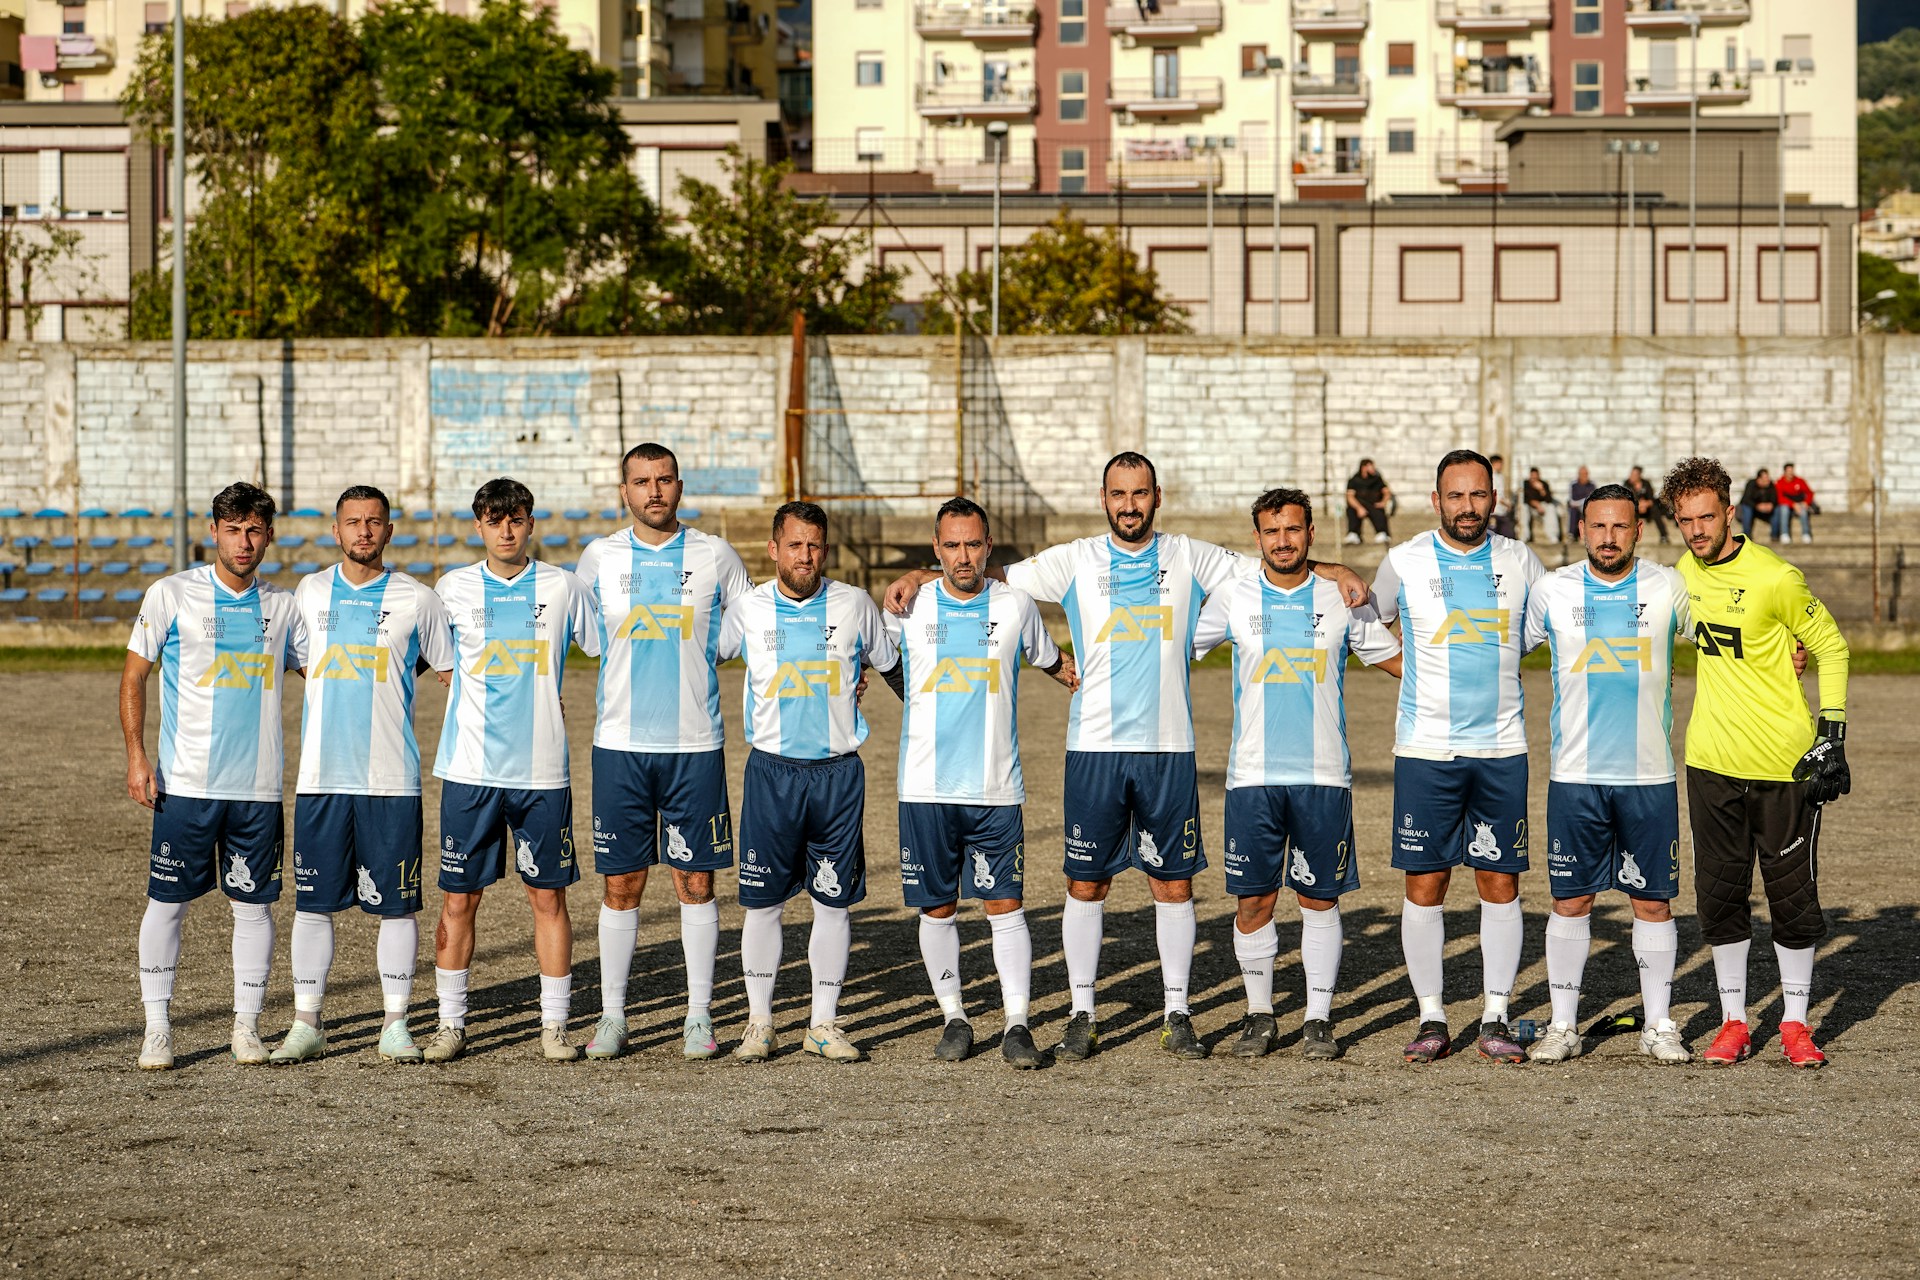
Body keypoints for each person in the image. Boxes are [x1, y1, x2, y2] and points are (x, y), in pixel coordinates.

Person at [882, 453, 1366, 1062]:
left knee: (1174, 885)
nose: (1129, 504)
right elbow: (985, 571)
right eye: (1119, 494)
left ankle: (1177, 1011)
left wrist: (1334, 566)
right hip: (1094, 749)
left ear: (1156, 497)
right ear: (1103, 498)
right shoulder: (1075, 559)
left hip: (1169, 749)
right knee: (1085, 884)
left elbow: (1274, 561)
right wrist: (925, 576)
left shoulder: (1190, 556)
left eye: (1140, 493)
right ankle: (1082, 1011)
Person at [1192, 488, 1402, 1060]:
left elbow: (1394, 661)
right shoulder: (1234, 595)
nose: (1282, 541)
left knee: (1320, 900)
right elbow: (1173, 645)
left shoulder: (1339, 598)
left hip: (1323, 776)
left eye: (1292, 530)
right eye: (1270, 531)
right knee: (1254, 901)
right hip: (1252, 778)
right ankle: (1260, 1015)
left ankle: (1317, 1017)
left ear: (1310, 532)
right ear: (1256, 537)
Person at [1662, 456, 1851, 1068]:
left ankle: (1795, 1023)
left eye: (1705, 516)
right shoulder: (1681, 574)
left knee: (1792, 898)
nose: (1695, 530)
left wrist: (1833, 730)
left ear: (1730, 511)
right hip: (1710, 760)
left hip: (1783, 765)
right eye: (1684, 519)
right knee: (1720, 896)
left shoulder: (1776, 577)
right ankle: (1734, 1021)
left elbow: (1833, 647)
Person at [573, 444, 752, 1062]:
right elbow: (580, 637)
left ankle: (698, 1016)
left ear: (680, 486)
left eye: (664, 480)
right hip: (619, 747)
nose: (654, 491)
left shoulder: (714, 554)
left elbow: (747, 623)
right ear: (623, 490)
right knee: (621, 885)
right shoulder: (598, 558)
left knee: (695, 881)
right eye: (641, 481)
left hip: (694, 745)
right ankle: (614, 1015)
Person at [886, 497, 1077, 1067]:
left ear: (989, 547)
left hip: (996, 789)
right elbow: (870, 655)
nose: (963, 556)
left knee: (1006, 906)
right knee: (937, 910)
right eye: (951, 545)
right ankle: (955, 1017)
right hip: (925, 788)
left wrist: (1067, 668)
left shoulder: (1016, 605)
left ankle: (1017, 1023)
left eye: (973, 544)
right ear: (936, 549)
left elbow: (1046, 657)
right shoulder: (908, 607)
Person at [123, 482, 307, 1070]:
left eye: (255, 531)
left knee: (253, 908)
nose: (244, 542)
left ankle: (246, 1027)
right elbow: (133, 679)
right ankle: (158, 1028)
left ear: (269, 536)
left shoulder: (283, 607)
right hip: (186, 786)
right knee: (167, 904)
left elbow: (330, 673)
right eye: (233, 530)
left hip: (257, 789)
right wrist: (135, 755)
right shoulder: (171, 594)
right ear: (214, 533)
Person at [269, 485, 455, 1065]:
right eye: (353, 522)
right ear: (336, 529)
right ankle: (307, 1022)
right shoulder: (310, 592)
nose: (364, 532)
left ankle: (395, 1023)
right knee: (312, 905)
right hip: (322, 777)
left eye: (374, 521)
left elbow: (445, 670)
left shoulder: (418, 600)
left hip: (391, 778)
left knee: (397, 905)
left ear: (389, 530)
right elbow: (302, 665)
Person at [1372, 449, 1546, 1065]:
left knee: (1499, 881)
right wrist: (1405, 668)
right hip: (1425, 750)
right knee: (1427, 883)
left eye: (1478, 495)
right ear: (1436, 499)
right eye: (1456, 496)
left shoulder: (1521, 559)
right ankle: (1432, 1017)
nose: (1467, 507)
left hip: (1500, 748)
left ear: (1493, 499)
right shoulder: (1405, 560)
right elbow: (1366, 620)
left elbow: (1536, 629)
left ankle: (1496, 1015)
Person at [718, 501, 902, 1063]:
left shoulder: (853, 604)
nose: (806, 556)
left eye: (815, 545)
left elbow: (893, 665)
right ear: (773, 549)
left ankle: (823, 1023)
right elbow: (700, 656)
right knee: (763, 905)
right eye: (794, 545)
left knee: (833, 903)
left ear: (826, 549)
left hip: (837, 774)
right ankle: (759, 1022)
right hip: (772, 771)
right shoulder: (747, 609)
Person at [425, 478, 599, 1064]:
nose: (506, 529)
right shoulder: (451, 589)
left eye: (516, 518)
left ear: (530, 524)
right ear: (478, 526)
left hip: (542, 770)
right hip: (470, 770)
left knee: (547, 897)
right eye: (494, 520)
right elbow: (431, 656)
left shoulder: (562, 586)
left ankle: (554, 1026)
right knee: (458, 899)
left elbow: (605, 645)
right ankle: (452, 1024)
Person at [1519, 484, 1693, 1065]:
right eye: (1598, 526)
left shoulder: (1669, 586)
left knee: (1654, 902)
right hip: (1575, 776)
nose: (1609, 537)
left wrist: (1788, 648)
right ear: (1581, 528)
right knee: (1571, 900)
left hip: (1649, 776)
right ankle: (1563, 1026)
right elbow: (1495, 650)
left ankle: (1660, 1024)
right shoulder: (1551, 591)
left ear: (1637, 529)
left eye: (1620, 527)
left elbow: (1728, 636)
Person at [1344, 459, 1392, 546]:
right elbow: (1350, 496)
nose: (1373, 469)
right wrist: (1359, 508)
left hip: (1373, 505)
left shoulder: (1377, 479)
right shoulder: (1354, 480)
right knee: (1351, 509)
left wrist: (1383, 502)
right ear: (1364, 467)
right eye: (1371, 466)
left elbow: (1387, 492)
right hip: (1359, 505)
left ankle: (1382, 533)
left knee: (1379, 510)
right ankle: (1353, 534)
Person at [1625, 466, 1670, 544]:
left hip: (1647, 509)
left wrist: (1645, 504)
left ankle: (1664, 536)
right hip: (1635, 508)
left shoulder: (1646, 483)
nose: (1631, 476)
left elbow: (1651, 499)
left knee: (1655, 509)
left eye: (1634, 474)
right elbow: (1627, 500)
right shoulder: (1627, 484)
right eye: (1631, 474)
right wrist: (1638, 505)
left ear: (1639, 475)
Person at [1774, 463, 1815, 543]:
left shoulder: (1799, 481)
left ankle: (1806, 534)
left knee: (1803, 510)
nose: (1790, 473)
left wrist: (1806, 503)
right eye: (1788, 471)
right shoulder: (1779, 482)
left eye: (1792, 471)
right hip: (1787, 506)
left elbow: (1809, 493)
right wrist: (1792, 504)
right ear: (1785, 472)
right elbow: (1780, 498)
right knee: (1784, 509)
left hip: (1799, 504)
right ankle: (1784, 534)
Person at [1520, 467, 1562, 544]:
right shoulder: (1525, 484)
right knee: (1523, 508)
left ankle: (1553, 536)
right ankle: (1524, 536)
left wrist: (1541, 489)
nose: (1534, 478)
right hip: (1531, 507)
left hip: (1542, 507)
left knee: (1551, 507)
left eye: (1536, 476)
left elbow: (1549, 499)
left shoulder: (1544, 484)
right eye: (1533, 476)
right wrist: (1537, 505)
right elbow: (1525, 499)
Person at [1736, 468, 1777, 541]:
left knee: (1777, 510)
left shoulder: (1771, 485)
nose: (1767, 480)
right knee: (1747, 509)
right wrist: (1757, 506)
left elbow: (1774, 499)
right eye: (1765, 478)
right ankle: (1747, 535)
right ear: (1759, 479)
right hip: (1749, 509)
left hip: (1764, 511)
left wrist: (1770, 505)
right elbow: (1746, 500)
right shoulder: (1751, 484)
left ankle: (1775, 535)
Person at [1489, 454, 1515, 539]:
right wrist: (1507, 504)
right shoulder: (1490, 476)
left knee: (1505, 535)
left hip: (1502, 510)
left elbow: (1502, 493)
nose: (1501, 466)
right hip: (1495, 510)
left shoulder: (1500, 476)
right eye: (1500, 463)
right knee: (1494, 534)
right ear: (1495, 463)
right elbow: (1496, 494)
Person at [1566, 466, 1596, 539]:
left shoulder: (1592, 485)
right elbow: (1571, 500)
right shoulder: (1573, 485)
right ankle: (1572, 533)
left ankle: (1586, 533)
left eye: (1585, 474)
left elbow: (1593, 498)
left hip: (1586, 506)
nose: (1584, 476)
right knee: (1573, 511)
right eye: (1582, 474)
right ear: (1579, 474)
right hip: (1575, 506)